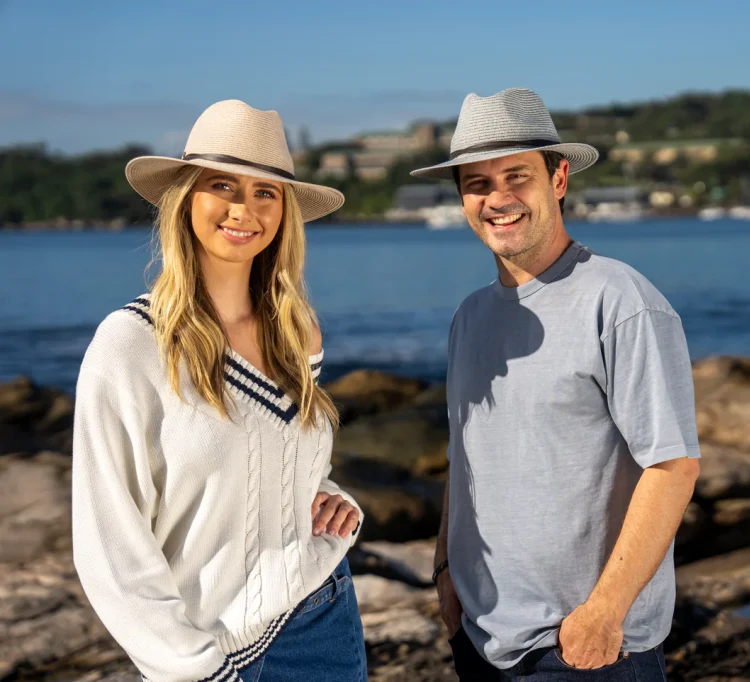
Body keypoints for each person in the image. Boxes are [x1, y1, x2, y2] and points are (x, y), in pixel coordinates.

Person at [72, 100, 368, 682]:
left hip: (324, 620)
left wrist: (329, 496)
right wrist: (192, 669)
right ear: (187, 199)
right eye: (223, 185)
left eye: (265, 192)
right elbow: (108, 542)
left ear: (283, 212)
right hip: (209, 651)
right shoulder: (131, 343)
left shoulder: (297, 332)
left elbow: (278, 456)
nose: (244, 209)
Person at [412, 88, 702, 681]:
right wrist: (444, 571)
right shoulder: (470, 317)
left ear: (559, 178)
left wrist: (603, 613)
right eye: (477, 184)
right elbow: (464, 456)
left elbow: (673, 466)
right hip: (480, 638)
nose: (498, 199)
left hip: (584, 649)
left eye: (516, 176)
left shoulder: (621, 301)